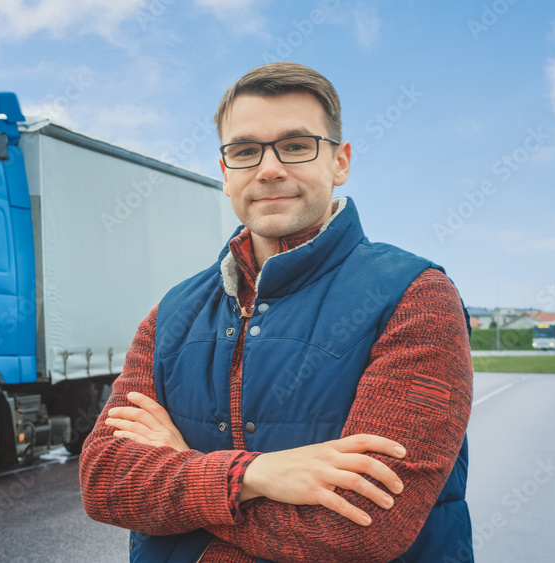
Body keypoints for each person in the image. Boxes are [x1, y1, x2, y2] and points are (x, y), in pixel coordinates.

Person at [79, 62, 473, 563]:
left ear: (340, 162)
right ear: (225, 174)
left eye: (295, 146)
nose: (269, 169)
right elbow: (104, 481)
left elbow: (359, 529)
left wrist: (181, 473)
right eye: (245, 151)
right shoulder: (171, 313)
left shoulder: (415, 297)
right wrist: (253, 476)